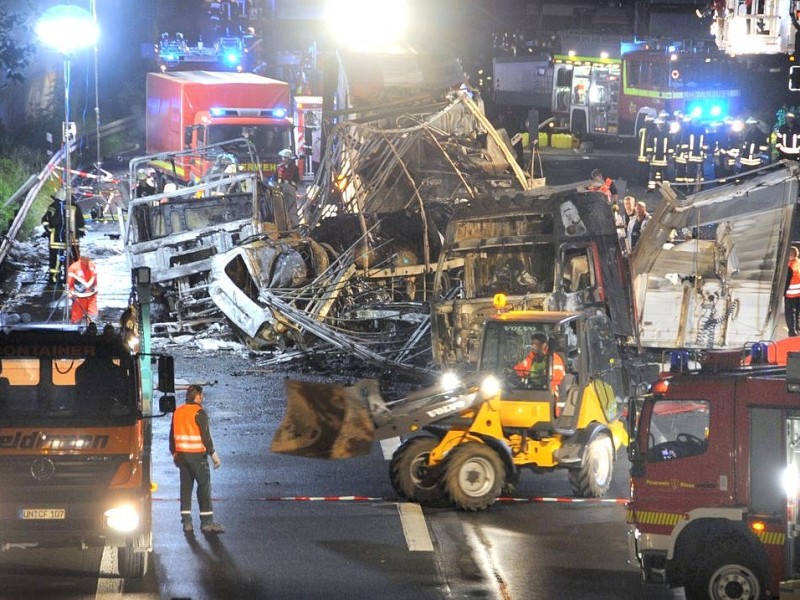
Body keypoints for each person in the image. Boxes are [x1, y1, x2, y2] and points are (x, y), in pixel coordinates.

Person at [169, 384, 224, 534]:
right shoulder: (199, 412)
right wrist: (214, 455)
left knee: (185, 489)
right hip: (198, 457)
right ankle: (207, 523)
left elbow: (171, 436)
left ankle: (187, 522)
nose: (203, 398)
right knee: (204, 487)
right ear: (197, 396)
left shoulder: (178, 412)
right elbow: (206, 437)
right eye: (202, 395)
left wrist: (174, 453)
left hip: (182, 457)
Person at [42, 188, 85, 284]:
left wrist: (48, 230)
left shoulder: (53, 206)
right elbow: (81, 222)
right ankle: (72, 277)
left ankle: (54, 277)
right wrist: (81, 232)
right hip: (73, 239)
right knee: (74, 257)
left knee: (55, 258)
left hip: (55, 239)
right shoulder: (75, 206)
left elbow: (45, 220)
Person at [67, 254, 98, 325]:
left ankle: (91, 332)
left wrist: (96, 288)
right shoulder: (73, 268)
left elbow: (95, 278)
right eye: (85, 259)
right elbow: (69, 283)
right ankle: (75, 333)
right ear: (81, 259)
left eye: (88, 259)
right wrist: (71, 293)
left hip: (91, 296)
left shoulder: (92, 266)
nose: (87, 261)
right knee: (76, 320)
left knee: (93, 318)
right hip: (79, 297)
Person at [786, 246, 800, 336]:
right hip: (799, 294)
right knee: (797, 314)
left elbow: (786, 281)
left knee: (790, 315)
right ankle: (797, 329)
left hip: (790, 294)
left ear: (790, 255)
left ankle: (792, 332)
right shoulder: (798, 263)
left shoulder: (789, 266)